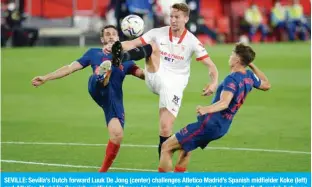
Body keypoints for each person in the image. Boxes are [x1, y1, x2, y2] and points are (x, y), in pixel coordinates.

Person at [109, 3, 219, 172]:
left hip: (174, 84)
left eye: (177, 17)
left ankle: (162, 172)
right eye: (172, 16)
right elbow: (133, 43)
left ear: (186, 19)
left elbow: (211, 66)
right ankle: (123, 59)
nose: (173, 20)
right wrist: (116, 47)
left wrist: (214, 82)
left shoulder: (192, 41)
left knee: (166, 128)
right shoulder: (157, 33)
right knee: (153, 46)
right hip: (155, 75)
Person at [31, 25, 145, 172]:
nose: (110, 36)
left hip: (112, 98)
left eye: (113, 34)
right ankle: (102, 73)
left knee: (117, 135)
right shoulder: (94, 53)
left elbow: (142, 75)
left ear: (118, 38)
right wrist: (46, 77)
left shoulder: (126, 58)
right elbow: (70, 68)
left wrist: (156, 68)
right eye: (107, 34)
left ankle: (101, 174)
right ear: (102, 39)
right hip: (96, 89)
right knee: (98, 76)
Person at [157, 43, 271, 172]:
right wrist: (249, 63)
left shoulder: (232, 79)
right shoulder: (249, 76)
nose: (230, 56)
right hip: (222, 127)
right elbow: (266, 85)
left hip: (209, 124)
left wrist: (206, 109)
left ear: (237, 60)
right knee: (186, 148)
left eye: (232, 54)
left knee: (166, 147)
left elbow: (224, 103)